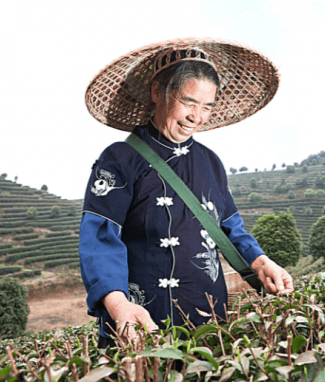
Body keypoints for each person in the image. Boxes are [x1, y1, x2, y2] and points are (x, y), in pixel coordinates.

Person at [79, 38, 293, 347]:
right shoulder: (120, 160)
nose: (197, 116)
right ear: (157, 92)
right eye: (189, 102)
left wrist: (261, 263)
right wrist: (118, 305)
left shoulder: (210, 162)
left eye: (207, 107)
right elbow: (100, 240)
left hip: (209, 321)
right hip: (141, 325)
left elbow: (231, 229)